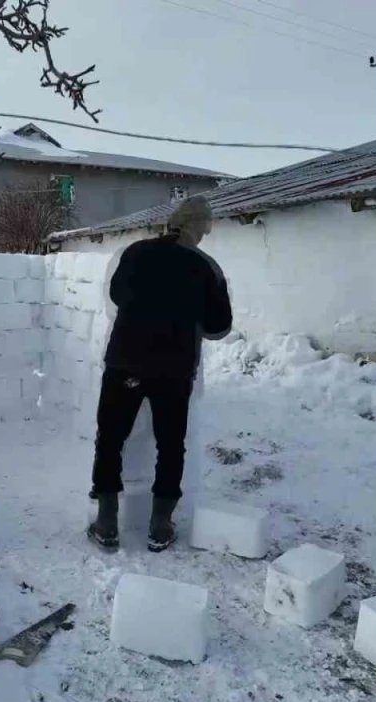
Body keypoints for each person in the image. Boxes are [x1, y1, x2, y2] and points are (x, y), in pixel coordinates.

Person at [87, 195, 232, 552]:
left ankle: (107, 520)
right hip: (174, 369)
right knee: (170, 446)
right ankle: (160, 523)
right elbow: (219, 327)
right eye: (205, 228)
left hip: (125, 361)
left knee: (110, 438)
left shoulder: (134, 252)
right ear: (199, 227)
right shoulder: (206, 267)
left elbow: (117, 294)